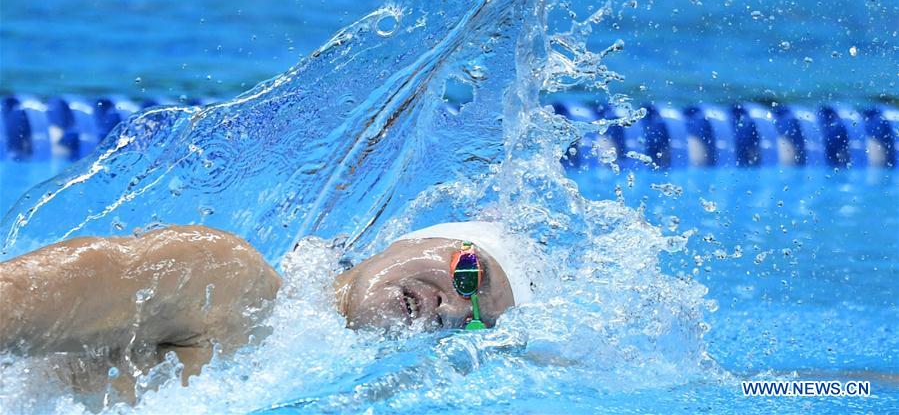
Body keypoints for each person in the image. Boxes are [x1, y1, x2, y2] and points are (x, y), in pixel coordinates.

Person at [0, 221, 531, 398]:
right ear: (409, 239)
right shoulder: (226, 278)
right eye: (469, 272)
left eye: (475, 319)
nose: (452, 306)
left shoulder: (315, 379)